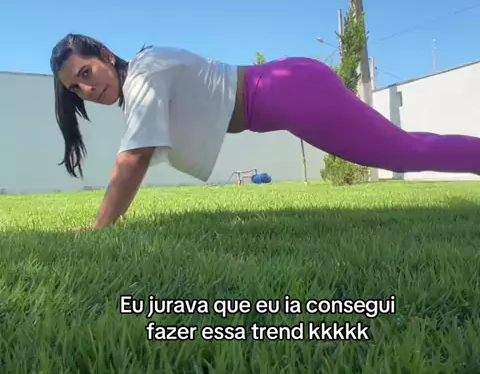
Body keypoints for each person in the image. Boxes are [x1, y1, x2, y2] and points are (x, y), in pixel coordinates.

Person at [51, 33, 480, 230]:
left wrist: (100, 226)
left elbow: (135, 156)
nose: (87, 89)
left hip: (294, 91)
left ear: (106, 54)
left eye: (86, 72)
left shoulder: (145, 72)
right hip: (293, 85)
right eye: (76, 88)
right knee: (402, 150)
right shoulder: (144, 76)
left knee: (402, 153)